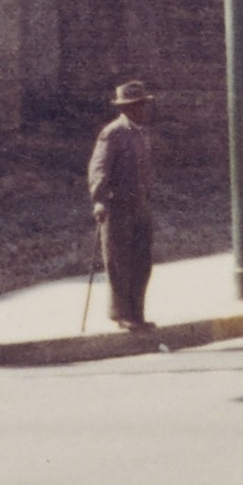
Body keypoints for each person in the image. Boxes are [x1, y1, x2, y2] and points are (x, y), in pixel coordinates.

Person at [88, 80, 159, 331]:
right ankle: (121, 313)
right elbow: (99, 169)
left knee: (142, 261)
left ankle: (137, 313)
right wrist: (99, 201)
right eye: (136, 106)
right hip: (117, 207)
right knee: (120, 263)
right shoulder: (113, 133)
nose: (141, 109)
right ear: (125, 108)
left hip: (140, 205)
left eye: (142, 104)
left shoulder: (141, 133)